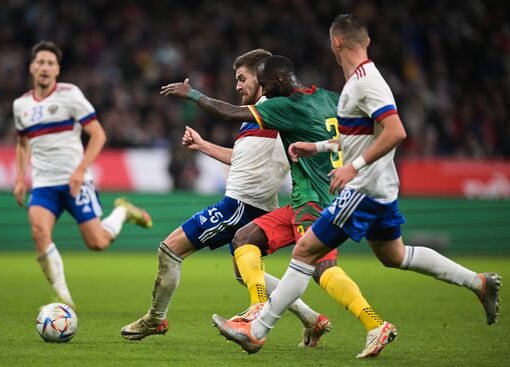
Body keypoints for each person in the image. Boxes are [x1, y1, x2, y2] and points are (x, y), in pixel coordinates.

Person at [211, 14, 502, 358]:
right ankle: (477, 282)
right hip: (381, 189)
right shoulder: (354, 84)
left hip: (361, 189)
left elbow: (395, 132)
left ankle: (257, 331)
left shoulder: (364, 84)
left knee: (308, 255)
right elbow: (355, 138)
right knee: (395, 256)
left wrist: (354, 168)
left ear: (336, 42)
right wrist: (316, 147)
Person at [161, 54, 390, 347]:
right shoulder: (330, 98)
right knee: (244, 239)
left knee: (323, 269)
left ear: (278, 81)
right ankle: (259, 306)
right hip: (307, 200)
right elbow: (364, 132)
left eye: (266, 85)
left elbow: (230, 113)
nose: (265, 94)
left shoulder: (285, 106)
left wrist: (191, 94)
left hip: (315, 203)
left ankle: (375, 323)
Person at [121, 49, 331, 347]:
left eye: (242, 78)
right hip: (253, 205)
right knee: (244, 271)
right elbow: (242, 159)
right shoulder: (262, 116)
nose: (237, 86)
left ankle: (155, 319)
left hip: (241, 205)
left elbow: (226, 111)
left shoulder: (278, 108)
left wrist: (192, 94)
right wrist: (204, 145)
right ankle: (312, 319)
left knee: (169, 249)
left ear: (263, 79)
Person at [13, 41, 152, 309]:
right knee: (39, 232)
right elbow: (22, 143)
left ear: (57, 69)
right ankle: (64, 299)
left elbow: (98, 134)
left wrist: (79, 170)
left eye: (50, 63)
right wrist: (20, 178)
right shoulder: (21, 106)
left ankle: (122, 211)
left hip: (76, 182)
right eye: (40, 62)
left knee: (97, 242)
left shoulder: (70, 95)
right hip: (43, 184)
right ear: (32, 67)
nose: (44, 67)